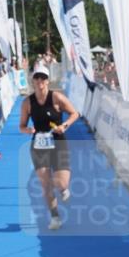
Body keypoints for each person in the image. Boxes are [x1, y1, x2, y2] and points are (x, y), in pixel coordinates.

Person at [19, 64, 80, 231]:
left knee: (60, 183)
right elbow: (21, 126)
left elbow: (75, 113)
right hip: (39, 144)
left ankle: (63, 188)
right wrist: (28, 130)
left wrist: (65, 125)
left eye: (43, 78)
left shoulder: (56, 98)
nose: (40, 81)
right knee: (45, 184)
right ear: (33, 80)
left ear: (48, 80)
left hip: (58, 141)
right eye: (37, 78)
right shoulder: (27, 102)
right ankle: (55, 216)